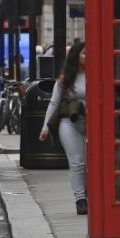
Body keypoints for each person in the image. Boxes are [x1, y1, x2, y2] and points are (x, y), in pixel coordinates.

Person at [38, 40, 88, 215]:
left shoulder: (98, 74)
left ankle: (90, 193)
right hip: (69, 123)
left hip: (93, 124)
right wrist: (45, 128)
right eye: (84, 54)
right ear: (75, 56)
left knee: (91, 163)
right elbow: (54, 103)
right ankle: (80, 200)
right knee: (77, 162)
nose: (88, 57)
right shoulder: (65, 79)